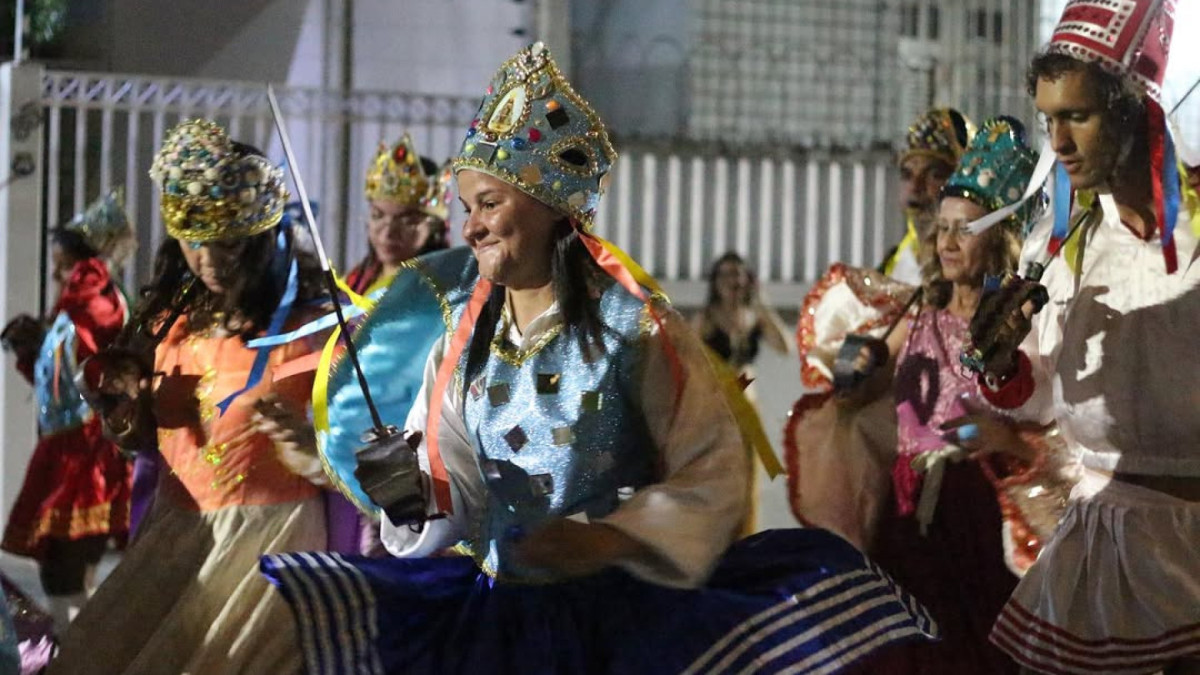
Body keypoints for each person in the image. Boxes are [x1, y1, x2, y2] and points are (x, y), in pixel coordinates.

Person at [260, 41, 938, 675]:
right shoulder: (460, 345)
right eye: (467, 207)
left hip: (620, 625)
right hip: (502, 621)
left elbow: (713, 469)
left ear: (553, 207)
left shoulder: (635, 331)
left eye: (489, 203)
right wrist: (404, 490)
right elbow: (453, 498)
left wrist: (610, 537)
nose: (470, 226)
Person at [960, 2, 1200, 672]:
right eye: (1049, 119)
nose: (1058, 142)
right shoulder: (1062, 245)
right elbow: (1031, 399)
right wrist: (1003, 361)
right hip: (1102, 553)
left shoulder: (1197, 231)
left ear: (1132, 110)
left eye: (1078, 116)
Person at [48, 119, 334, 674]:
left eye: (228, 245)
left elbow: (373, 458)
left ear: (262, 240)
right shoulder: (170, 325)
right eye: (194, 244)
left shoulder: (311, 333)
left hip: (268, 547)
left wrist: (317, 454)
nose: (209, 261)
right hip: (177, 533)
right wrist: (123, 410)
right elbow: (146, 444)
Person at [855, 117, 1078, 674]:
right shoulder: (915, 315)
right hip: (907, 524)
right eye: (944, 227)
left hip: (979, 528)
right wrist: (853, 370)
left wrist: (1007, 439)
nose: (948, 241)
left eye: (966, 229)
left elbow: (1063, 431)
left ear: (999, 237)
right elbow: (861, 393)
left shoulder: (1022, 325)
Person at [0, 190, 133, 634]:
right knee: (60, 568)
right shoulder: (72, 310)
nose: (55, 270)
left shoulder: (97, 305)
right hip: (63, 450)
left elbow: (105, 374)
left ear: (85, 263)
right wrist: (32, 348)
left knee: (65, 567)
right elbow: (62, 384)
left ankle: (82, 651)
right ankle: (77, 647)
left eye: (62, 261)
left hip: (87, 455)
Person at [879, 108, 976, 284]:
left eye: (934, 175)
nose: (916, 187)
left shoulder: (972, 268)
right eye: (907, 175)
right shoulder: (894, 263)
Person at [346, 135, 452, 294]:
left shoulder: (443, 291)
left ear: (434, 227)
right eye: (377, 215)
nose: (388, 233)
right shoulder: (356, 280)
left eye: (407, 221)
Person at [694, 251, 789, 373]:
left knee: (746, 372)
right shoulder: (706, 318)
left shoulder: (755, 317)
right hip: (714, 384)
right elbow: (687, 356)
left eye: (736, 274)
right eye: (724, 275)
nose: (731, 281)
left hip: (744, 385)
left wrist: (763, 305)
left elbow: (784, 348)